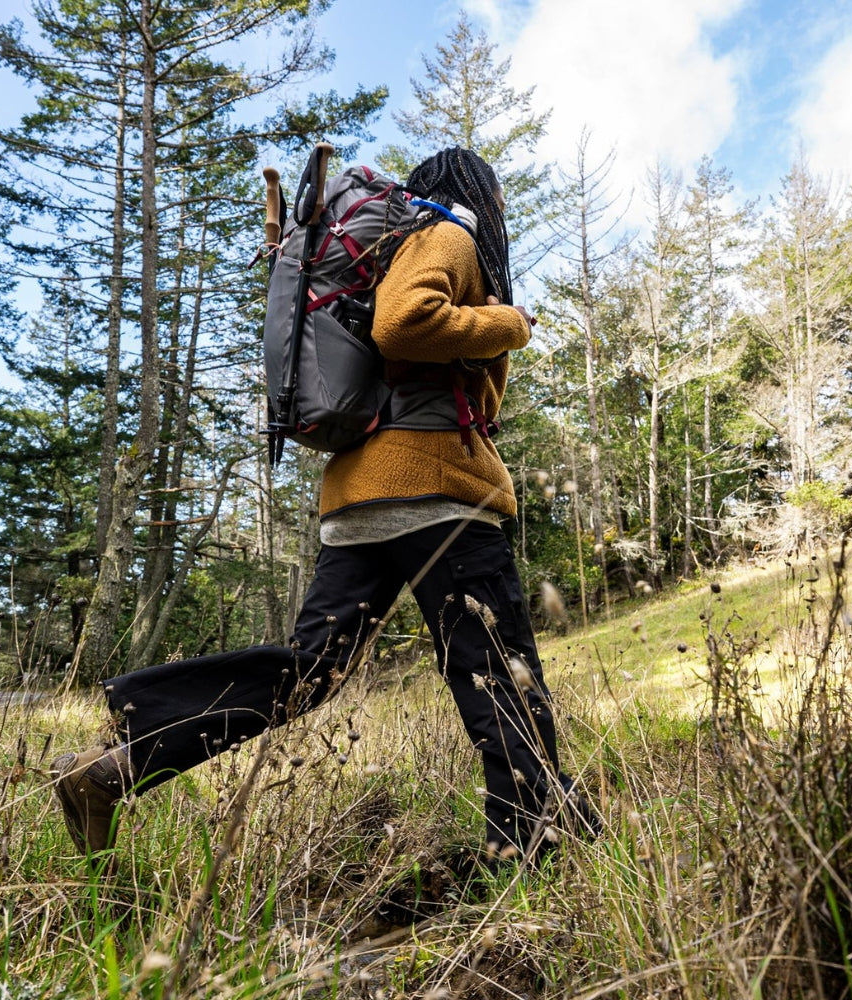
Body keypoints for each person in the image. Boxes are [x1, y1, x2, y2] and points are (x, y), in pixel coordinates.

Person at [51, 147, 595, 865]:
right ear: (475, 193)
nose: (498, 208)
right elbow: (403, 324)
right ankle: (531, 846)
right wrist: (513, 324)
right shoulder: (448, 233)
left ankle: (115, 767)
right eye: (495, 195)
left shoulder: (399, 243)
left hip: (359, 499)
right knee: (497, 668)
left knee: (312, 671)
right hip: (437, 495)